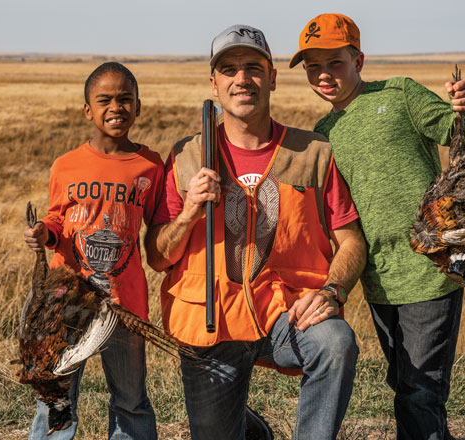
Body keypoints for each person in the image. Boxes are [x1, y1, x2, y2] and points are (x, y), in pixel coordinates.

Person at [144, 24, 367, 440]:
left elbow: (350, 240)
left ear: (273, 78)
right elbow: (157, 257)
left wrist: (332, 291)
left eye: (253, 68)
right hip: (210, 323)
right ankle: (252, 431)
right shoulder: (187, 156)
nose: (242, 79)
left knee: (335, 343)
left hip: (289, 313)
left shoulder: (313, 153)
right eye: (229, 69)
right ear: (214, 84)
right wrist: (189, 212)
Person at [290, 13, 465, 440]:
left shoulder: (399, 94)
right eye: (312, 66)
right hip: (378, 278)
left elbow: (461, 135)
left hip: (430, 266)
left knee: (420, 388)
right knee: (404, 380)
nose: (323, 74)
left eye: (335, 62)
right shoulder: (323, 134)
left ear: (358, 60)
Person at [23, 62, 163, 440]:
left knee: (131, 399)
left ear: (138, 106)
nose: (116, 107)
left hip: (124, 304)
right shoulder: (66, 165)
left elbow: (160, 228)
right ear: (88, 110)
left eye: (125, 99)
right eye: (105, 100)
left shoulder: (151, 166)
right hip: (66, 301)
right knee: (55, 399)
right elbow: (57, 219)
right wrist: (44, 233)